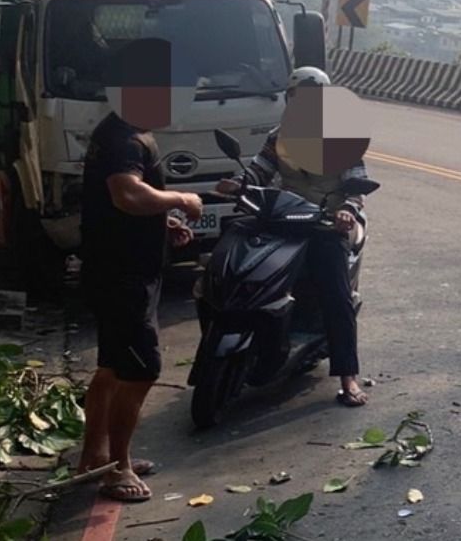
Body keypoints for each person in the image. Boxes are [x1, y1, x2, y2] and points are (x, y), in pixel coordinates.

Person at [77, 43, 204, 503]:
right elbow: (126, 195)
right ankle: (117, 468)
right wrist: (181, 202)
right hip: (123, 276)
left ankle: (96, 455)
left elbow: (128, 205)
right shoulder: (124, 139)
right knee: (141, 369)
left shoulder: (127, 131)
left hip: (124, 268)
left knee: (112, 366)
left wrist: (162, 224)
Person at [216, 66, 371, 407]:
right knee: (234, 250)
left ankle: (348, 376)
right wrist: (237, 184)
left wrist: (346, 208)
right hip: (284, 217)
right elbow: (259, 170)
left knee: (336, 293)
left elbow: (356, 184)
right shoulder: (278, 136)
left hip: (325, 222)